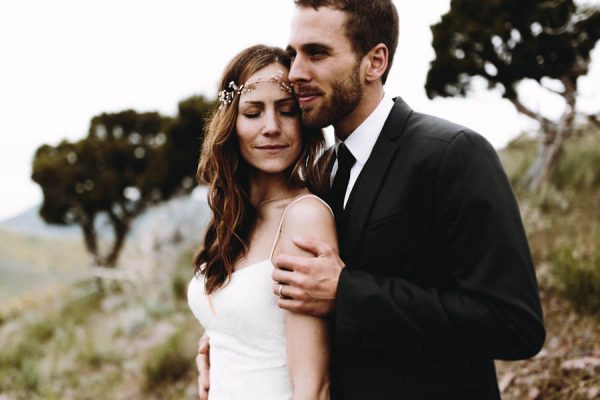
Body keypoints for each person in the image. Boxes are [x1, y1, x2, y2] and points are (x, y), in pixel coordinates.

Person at [198, 1, 546, 399]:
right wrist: (229, 339)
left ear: (374, 62)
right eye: (293, 54)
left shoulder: (451, 154)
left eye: (317, 53)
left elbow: (514, 324)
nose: (295, 73)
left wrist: (348, 291)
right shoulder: (322, 173)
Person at [187, 44, 336, 400]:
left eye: (287, 111)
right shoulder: (233, 216)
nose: (272, 127)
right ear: (230, 124)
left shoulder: (304, 216)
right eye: (253, 113)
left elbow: (313, 388)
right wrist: (213, 345)